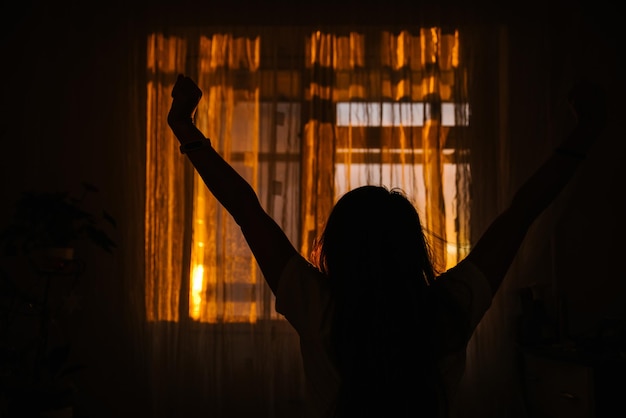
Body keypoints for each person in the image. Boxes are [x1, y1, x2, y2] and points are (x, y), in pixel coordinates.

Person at [167, 74, 606, 417]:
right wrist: (585, 132)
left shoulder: (319, 310)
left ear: (336, 250)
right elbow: (521, 214)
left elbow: (248, 211)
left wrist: (186, 128)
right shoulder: (450, 309)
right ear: (412, 248)